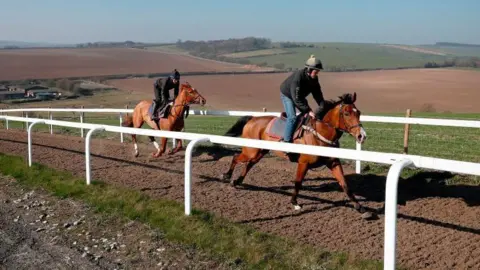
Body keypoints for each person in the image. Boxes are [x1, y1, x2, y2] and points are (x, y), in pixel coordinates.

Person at [279, 55, 325, 145]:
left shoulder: (314, 79)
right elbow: (296, 99)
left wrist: (322, 104)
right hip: (287, 95)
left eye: (318, 72)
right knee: (292, 117)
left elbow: (317, 94)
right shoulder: (298, 78)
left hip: (299, 97)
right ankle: (286, 142)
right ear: (309, 70)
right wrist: (308, 110)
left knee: (307, 116)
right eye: (316, 72)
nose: (317, 74)